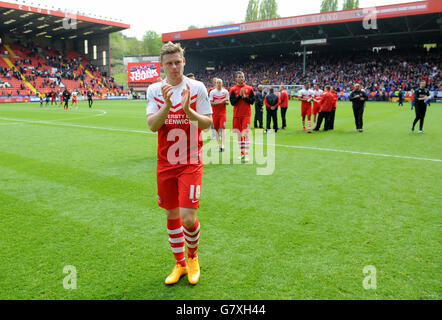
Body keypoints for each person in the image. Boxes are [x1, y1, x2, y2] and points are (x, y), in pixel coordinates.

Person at [146, 42, 213, 286]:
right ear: (162, 66)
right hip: (165, 162)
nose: (174, 67)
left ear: (184, 62)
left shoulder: (197, 88)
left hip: (190, 161)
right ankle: (180, 263)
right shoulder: (154, 90)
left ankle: (193, 257)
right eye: (169, 63)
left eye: (177, 62)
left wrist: (187, 110)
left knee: (187, 217)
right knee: (172, 214)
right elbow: (153, 126)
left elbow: (206, 123)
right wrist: (166, 105)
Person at [229, 71, 255, 162]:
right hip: (236, 115)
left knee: (245, 133)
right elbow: (232, 103)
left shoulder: (249, 88)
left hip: (246, 115)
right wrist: (239, 96)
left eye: (242, 77)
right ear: (236, 78)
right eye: (239, 77)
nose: (241, 78)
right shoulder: (233, 89)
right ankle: (242, 153)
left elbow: (252, 101)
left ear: (244, 77)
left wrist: (244, 97)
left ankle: (247, 154)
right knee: (239, 135)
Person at [209, 78, 229, 151]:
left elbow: (227, 103)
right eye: (217, 82)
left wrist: (225, 102)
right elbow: (211, 103)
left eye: (220, 82)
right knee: (216, 129)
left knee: (223, 128)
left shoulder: (225, 92)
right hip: (215, 113)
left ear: (222, 83)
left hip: (223, 113)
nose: (218, 84)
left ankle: (223, 145)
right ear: (215, 84)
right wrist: (221, 101)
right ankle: (218, 144)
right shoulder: (212, 92)